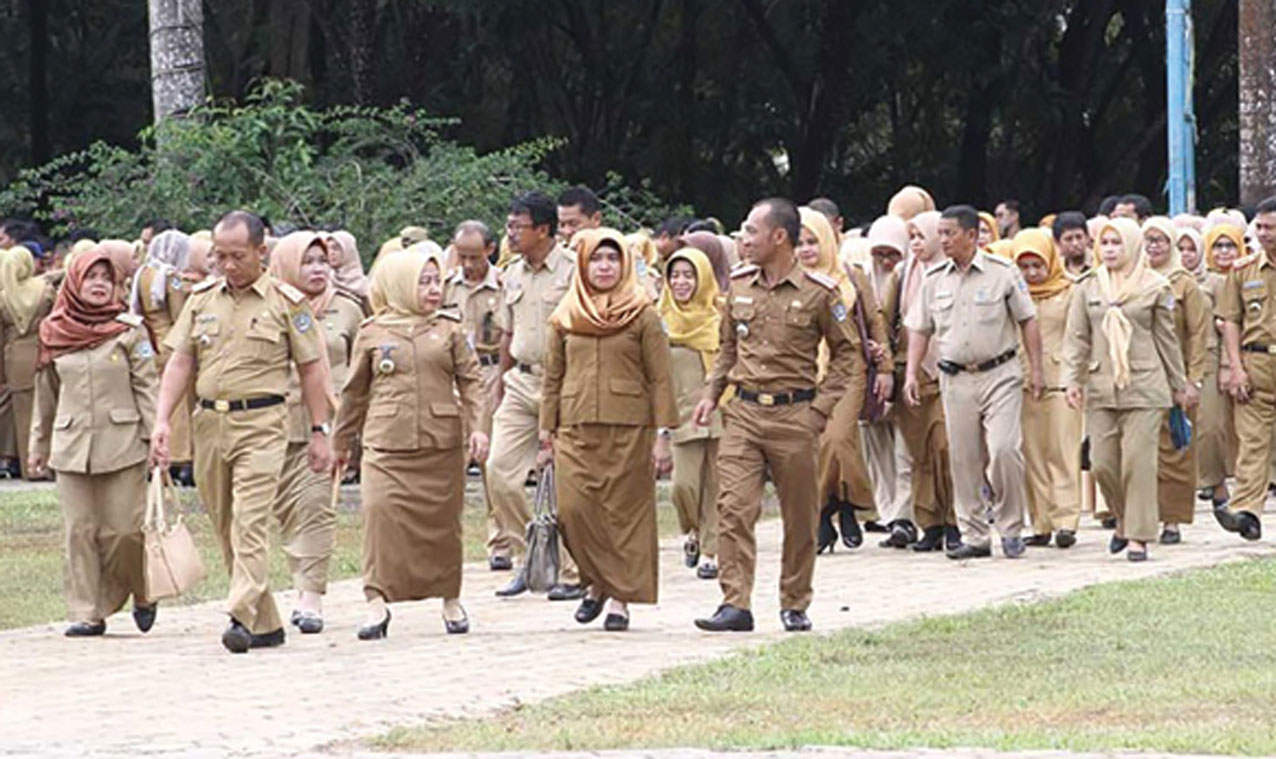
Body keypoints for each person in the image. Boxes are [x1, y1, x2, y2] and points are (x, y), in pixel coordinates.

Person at [149, 210, 332, 654]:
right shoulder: (201, 298)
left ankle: (238, 613)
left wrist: (319, 429)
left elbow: (311, 369)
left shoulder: (286, 302)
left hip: (263, 424)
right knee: (225, 523)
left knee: (249, 520)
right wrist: (161, 419)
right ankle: (265, 622)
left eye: (237, 256)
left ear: (260, 252)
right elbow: (181, 361)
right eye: (220, 256)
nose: (227, 265)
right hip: (210, 422)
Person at [692, 197, 861, 633]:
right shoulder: (741, 286)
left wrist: (820, 410)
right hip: (744, 412)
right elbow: (728, 345)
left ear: (778, 237)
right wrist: (713, 394)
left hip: (795, 416)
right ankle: (735, 603)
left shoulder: (821, 292)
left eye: (751, 231)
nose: (744, 240)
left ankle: (794, 600)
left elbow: (847, 354)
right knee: (732, 508)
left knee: (800, 515)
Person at [333, 246, 486, 638]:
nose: (433, 289)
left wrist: (478, 428)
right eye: (423, 281)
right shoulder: (372, 332)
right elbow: (353, 393)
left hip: (439, 444)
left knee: (443, 526)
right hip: (386, 444)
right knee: (379, 516)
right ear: (400, 285)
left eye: (436, 281)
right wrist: (340, 443)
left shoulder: (449, 329)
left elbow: (471, 382)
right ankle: (376, 602)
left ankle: (450, 599)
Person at [538, 228, 677, 631]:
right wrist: (546, 431)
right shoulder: (565, 316)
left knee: (625, 515)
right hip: (575, 427)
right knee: (574, 511)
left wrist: (662, 436)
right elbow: (552, 378)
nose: (604, 266)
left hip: (630, 429)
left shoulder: (643, 313)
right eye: (596, 259)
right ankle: (595, 580)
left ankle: (619, 597)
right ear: (583, 263)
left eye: (612, 259)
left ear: (625, 264)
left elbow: (661, 378)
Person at [30, 248, 158, 636]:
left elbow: (147, 385)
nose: (99, 285)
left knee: (124, 531)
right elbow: (46, 394)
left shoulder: (130, 330)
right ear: (75, 282)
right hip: (71, 445)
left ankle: (141, 589)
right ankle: (87, 611)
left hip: (124, 442)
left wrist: (157, 438)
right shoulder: (53, 331)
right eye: (91, 278)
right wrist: (37, 445)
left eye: (107, 279)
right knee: (79, 530)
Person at [903, 205, 1043, 560]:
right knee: (963, 458)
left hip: (1001, 373)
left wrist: (1037, 370)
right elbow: (919, 328)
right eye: (941, 233)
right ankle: (975, 534)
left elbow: (1028, 320)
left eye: (950, 233)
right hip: (955, 378)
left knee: (1003, 449)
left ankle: (1011, 528)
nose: (943, 240)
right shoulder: (934, 279)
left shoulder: (1002, 272)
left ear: (971, 234)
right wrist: (911, 373)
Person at [1063, 217, 1187, 561]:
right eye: (1105, 243)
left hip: (1144, 384)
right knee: (1102, 463)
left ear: (1132, 246)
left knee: (1138, 462)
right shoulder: (1088, 286)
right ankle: (1121, 517)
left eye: (1117, 243)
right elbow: (1076, 338)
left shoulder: (1155, 286)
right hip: (1101, 384)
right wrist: (1072, 380)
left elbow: (1167, 341)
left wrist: (1180, 385)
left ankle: (1138, 535)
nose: (1111, 250)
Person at [264, 231, 363, 633]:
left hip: (327, 423)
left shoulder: (349, 309)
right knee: (283, 510)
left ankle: (311, 598)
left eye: (323, 261)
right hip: (272, 420)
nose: (318, 269)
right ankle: (288, 583)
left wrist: (354, 427)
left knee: (317, 508)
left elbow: (361, 371)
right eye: (308, 261)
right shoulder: (268, 305)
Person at [487, 191, 583, 600]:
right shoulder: (511, 273)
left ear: (543, 230)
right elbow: (508, 334)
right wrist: (500, 383)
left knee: (566, 481)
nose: (510, 234)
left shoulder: (575, 270)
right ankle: (532, 560)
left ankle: (573, 570)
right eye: (508, 226)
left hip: (564, 383)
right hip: (521, 383)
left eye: (517, 227)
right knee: (498, 471)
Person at [797, 208, 892, 551]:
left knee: (838, 439)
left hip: (848, 366)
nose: (806, 249)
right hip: (804, 369)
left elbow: (875, 321)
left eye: (812, 241)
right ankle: (835, 508)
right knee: (813, 445)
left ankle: (837, 504)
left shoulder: (850, 276)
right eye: (799, 243)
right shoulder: (787, 280)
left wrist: (885, 368)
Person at [883, 210, 958, 551]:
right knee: (919, 454)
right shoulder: (903, 274)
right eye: (910, 237)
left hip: (949, 371)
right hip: (911, 374)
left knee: (947, 447)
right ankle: (929, 523)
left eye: (920, 236)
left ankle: (955, 520)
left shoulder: (953, 273)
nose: (915, 244)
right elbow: (886, 321)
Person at [443, 220, 509, 569]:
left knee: (491, 461)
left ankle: (500, 541)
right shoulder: (444, 286)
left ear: (490, 250)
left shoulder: (502, 286)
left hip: (489, 370)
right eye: (461, 256)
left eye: (474, 256)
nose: (467, 264)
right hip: (452, 376)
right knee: (449, 460)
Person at [1012, 228, 1082, 548]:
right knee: (1033, 454)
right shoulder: (1012, 293)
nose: (1032, 273)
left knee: (1063, 450)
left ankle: (1066, 520)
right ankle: (1041, 522)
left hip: (1062, 381)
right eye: (1024, 267)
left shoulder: (1070, 291)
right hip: (1023, 382)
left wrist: (1076, 376)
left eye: (1037, 265)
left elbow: (1080, 337)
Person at [1141, 217, 1208, 544]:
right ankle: (1143, 517)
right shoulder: (1132, 279)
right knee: (1141, 451)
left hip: (1176, 378)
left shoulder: (1185, 284)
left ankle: (1173, 520)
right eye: (1148, 239)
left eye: (1160, 240)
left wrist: (1193, 380)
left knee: (1175, 452)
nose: (1154, 246)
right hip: (1140, 378)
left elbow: (1198, 333)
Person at [659, 245, 723, 579]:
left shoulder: (719, 318)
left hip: (719, 413)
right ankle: (691, 532)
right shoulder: (659, 323)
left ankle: (712, 550)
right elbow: (655, 379)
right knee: (682, 487)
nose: (681, 282)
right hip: (680, 416)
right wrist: (659, 432)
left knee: (716, 486)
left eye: (689, 275)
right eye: (675, 275)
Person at [1214, 198, 1276, 542]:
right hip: (1257, 363)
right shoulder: (1243, 270)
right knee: (1252, 442)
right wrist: (1235, 368)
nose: (1263, 234)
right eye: (1260, 227)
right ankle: (1248, 512)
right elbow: (1231, 321)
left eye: (1270, 227)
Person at [129, 229, 200, 486]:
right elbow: (181, 313)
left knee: (156, 400)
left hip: (151, 340)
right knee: (179, 406)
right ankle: (181, 456)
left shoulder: (144, 273)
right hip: (172, 342)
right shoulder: (171, 277)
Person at [858, 215, 910, 539]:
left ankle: (906, 513)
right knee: (876, 449)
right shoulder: (860, 281)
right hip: (867, 377)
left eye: (893, 254)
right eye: (880, 254)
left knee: (905, 449)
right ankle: (887, 511)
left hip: (904, 372)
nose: (887, 261)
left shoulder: (911, 279)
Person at [1191, 225, 1241, 512]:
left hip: (1217, 358)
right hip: (1183, 361)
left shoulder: (1222, 282)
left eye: (1229, 245)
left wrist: (1226, 365)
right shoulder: (1174, 281)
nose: (1224, 252)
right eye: (1218, 246)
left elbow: (1226, 325)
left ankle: (1218, 480)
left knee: (1213, 426)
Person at [0, 244, 58, 479]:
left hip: (15, 359)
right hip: (43, 353)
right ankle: (49, 464)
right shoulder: (45, 291)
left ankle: (29, 467)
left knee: (24, 416)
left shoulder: (4, 298)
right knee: (48, 410)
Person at [1052, 211, 1092, 278]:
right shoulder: (1056, 271)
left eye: (1079, 237)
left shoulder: (1100, 264)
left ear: (1087, 237)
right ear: (1057, 242)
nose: (1075, 243)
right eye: (1068, 239)